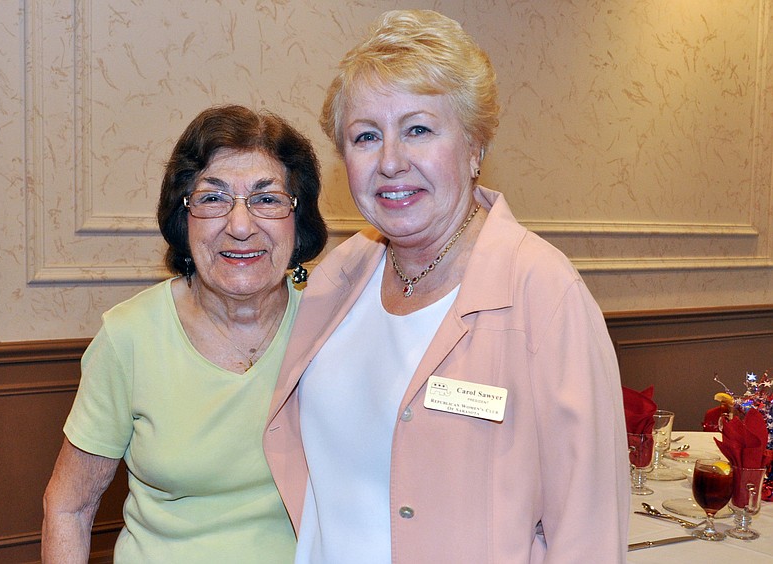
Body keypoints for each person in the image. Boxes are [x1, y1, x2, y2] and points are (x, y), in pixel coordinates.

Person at [263, 10, 629, 563]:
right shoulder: (338, 278)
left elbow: (589, 531)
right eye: (366, 136)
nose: (390, 161)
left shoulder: (545, 294)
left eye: (418, 129)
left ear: (475, 147)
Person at [42, 104, 327, 562]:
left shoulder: (334, 321)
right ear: (184, 215)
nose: (239, 225)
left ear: (299, 218)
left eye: (266, 198)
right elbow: (68, 508)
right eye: (213, 198)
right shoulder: (129, 337)